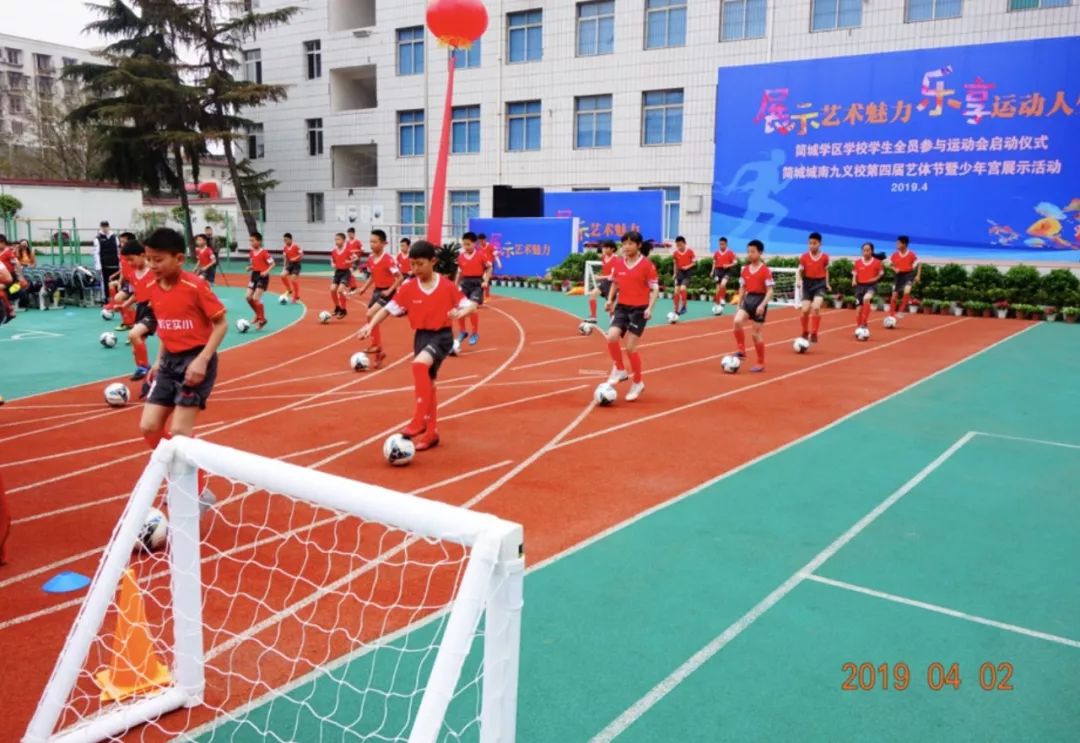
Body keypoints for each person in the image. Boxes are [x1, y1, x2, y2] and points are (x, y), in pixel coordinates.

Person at [358, 239, 477, 452]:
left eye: (420, 264)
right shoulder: (409, 287)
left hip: (441, 337)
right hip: (421, 337)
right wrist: (370, 325)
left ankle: (419, 420)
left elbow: (470, 305)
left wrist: (460, 312)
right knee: (428, 384)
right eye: (412, 264)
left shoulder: (447, 286)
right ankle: (432, 433)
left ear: (433, 261)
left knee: (418, 365)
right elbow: (387, 309)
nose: (415, 269)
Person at [139, 228, 227, 469]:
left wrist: (202, 360)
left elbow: (221, 324)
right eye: (149, 259)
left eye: (158, 260)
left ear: (178, 259)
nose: (152, 265)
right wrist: (158, 361)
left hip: (196, 360)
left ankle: (194, 492)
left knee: (179, 431)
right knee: (149, 428)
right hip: (169, 362)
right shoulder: (153, 287)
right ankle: (180, 472)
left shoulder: (195, 286)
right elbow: (165, 329)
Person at [605, 231, 659, 402]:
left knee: (630, 347)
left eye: (630, 243)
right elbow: (615, 283)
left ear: (638, 245)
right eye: (624, 243)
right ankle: (620, 370)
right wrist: (609, 300)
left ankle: (637, 383)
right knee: (611, 336)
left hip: (639, 309)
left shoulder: (647, 265)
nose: (626, 247)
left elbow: (655, 289)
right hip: (622, 307)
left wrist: (650, 308)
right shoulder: (619, 264)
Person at [356, 229, 402, 369]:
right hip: (377, 292)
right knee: (371, 318)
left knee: (370, 314)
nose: (372, 244)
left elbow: (400, 277)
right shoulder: (370, 258)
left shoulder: (388, 259)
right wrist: (364, 288)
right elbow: (372, 275)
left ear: (383, 243)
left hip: (388, 293)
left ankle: (376, 345)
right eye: (370, 241)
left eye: (375, 242)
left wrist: (390, 290)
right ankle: (379, 353)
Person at [116, 240, 157, 381]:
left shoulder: (154, 271)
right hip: (141, 309)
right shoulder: (133, 275)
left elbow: (163, 286)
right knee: (135, 347)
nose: (130, 263)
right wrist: (125, 305)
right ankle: (151, 377)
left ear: (142, 255)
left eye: (131, 259)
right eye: (127, 261)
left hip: (154, 310)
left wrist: (155, 300)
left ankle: (144, 368)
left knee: (133, 334)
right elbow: (136, 294)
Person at [732, 239, 774, 373]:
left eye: (753, 252)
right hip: (748, 299)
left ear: (760, 253)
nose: (750, 254)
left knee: (755, 333)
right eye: (748, 251)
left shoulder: (765, 270)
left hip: (760, 300)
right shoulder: (744, 270)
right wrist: (739, 304)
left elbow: (770, 291)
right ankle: (741, 350)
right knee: (737, 321)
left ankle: (760, 362)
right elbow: (742, 288)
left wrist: (762, 305)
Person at [454, 231, 491, 347]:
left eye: (468, 244)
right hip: (465, 284)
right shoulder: (460, 257)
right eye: (464, 244)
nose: (466, 247)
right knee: (460, 306)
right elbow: (459, 272)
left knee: (472, 307)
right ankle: (462, 331)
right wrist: (455, 285)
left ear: (474, 244)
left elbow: (489, 268)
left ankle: (474, 333)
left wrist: (485, 281)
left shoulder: (481, 255)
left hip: (477, 284)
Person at [797, 231, 830, 343]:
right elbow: (800, 271)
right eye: (810, 243)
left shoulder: (825, 257)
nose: (812, 245)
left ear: (820, 243)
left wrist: (827, 283)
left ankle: (814, 332)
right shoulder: (804, 257)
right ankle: (805, 331)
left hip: (820, 284)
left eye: (814, 243)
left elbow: (826, 271)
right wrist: (799, 280)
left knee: (816, 307)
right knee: (805, 309)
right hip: (807, 284)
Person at [852, 242, 884, 332]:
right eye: (864, 250)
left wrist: (875, 278)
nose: (866, 252)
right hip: (859, 287)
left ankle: (864, 323)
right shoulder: (858, 262)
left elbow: (881, 274)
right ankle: (859, 328)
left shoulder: (877, 262)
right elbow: (855, 273)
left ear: (872, 251)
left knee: (867, 298)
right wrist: (854, 280)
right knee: (858, 311)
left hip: (871, 286)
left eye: (868, 250)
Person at [244, 232, 273, 330]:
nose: (251, 243)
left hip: (263, 276)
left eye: (253, 240)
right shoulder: (251, 252)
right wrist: (250, 267)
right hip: (254, 276)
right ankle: (258, 314)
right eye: (250, 241)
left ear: (259, 241)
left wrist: (266, 271)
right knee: (248, 297)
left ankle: (262, 319)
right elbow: (254, 264)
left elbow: (272, 264)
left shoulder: (264, 252)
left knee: (256, 298)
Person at [888, 235, 921, 320]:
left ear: (904, 244)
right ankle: (891, 315)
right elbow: (890, 265)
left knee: (907, 291)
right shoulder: (894, 255)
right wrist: (895, 269)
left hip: (908, 275)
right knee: (894, 296)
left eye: (898, 243)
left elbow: (919, 264)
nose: (897, 245)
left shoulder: (911, 254)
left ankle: (901, 311)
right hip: (898, 276)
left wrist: (918, 275)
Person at [586, 240, 617, 323]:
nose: (604, 249)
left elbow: (612, 275)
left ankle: (613, 324)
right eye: (603, 247)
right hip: (604, 283)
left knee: (610, 306)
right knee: (592, 294)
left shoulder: (615, 259)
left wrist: (600, 277)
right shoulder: (603, 257)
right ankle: (593, 317)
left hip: (612, 284)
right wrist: (601, 277)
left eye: (606, 247)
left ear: (612, 249)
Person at [93, 221, 120, 303]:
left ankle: (117, 299)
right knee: (105, 282)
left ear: (109, 227)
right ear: (100, 227)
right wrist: (98, 266)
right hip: (104, 265)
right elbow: (96, 253)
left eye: (106, 226)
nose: (105, 228)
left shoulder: (114, 237)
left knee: (117, 282)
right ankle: (106, 299)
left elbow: (118, 251)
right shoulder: (98, 238)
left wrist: (120, 263)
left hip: (115, 265)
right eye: (103, 226)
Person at [329, 232, 353, 318]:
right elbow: (332, 260)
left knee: (340, 290)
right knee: (332, 290)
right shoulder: (334, 251)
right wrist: (332, 264)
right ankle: (337, 307)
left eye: (338, 239)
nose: (336, 241)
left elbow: (355, 258)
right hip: (337, 272)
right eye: (335, 239)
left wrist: (349, 261)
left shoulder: (348, 250)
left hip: (346, 272)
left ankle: (343, 310)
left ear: (343, 240)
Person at [671, 236, 696, 316]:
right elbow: (675, 264)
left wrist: (687, 266)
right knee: (676, 292)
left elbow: (694, 263)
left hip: (687, 274)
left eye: (680, 245)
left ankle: (684, 306)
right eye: (677, 245)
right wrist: (674, 273)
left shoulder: (690, 252)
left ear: (685, 243)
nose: (679, 247)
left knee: (682, 288)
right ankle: (676, 310)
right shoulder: (675, 253)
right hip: (679, 274)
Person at [712, 236, 737, 308]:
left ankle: (722, 298)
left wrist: (728, 265)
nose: (721, 246)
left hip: (726, 271)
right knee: (717, 288)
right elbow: (714, 262)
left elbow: (735, 262)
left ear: (726, 244)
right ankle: (717, 304)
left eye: (723, 244)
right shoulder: (716, 252)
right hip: (717, 271)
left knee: (723, 284)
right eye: (720, 244)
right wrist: (712, 271)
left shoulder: (730, 252)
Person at [280, 233, 303, 303]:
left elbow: (301, 254)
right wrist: (284, 266)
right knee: (282, 275)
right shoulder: (285, 248)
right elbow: (285, 258)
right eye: (284, 240)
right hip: (290, 264)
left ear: (291, 239)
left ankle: (296, 296)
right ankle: (289, 289)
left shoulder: (296, 246)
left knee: (293, 279)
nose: (285, 242)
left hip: (296, 265)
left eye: (286, 240)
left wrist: (295, 258)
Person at [477, 233, 501, 300]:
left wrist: (499, 263)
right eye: (480, 241)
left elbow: (495, 255)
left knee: (485, 279)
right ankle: (482, 295)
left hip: (489, 266)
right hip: (481, 266)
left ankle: (487, 296)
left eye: (482, 241)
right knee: (481, 280)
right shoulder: (478, 248)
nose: (481, 242)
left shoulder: (490, 246)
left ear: (485, 240)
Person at [345, 227, 364, 293]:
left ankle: (353, 287)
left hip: (355, 260)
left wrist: (357, 252)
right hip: (349, 260)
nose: (349, 235)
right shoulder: (347, 242)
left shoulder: (357, 242)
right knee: (348, 272)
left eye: (351, 234)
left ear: (354, 234)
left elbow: (362, 249)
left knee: (350, 272)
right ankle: (352, 286)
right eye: (348, 234)